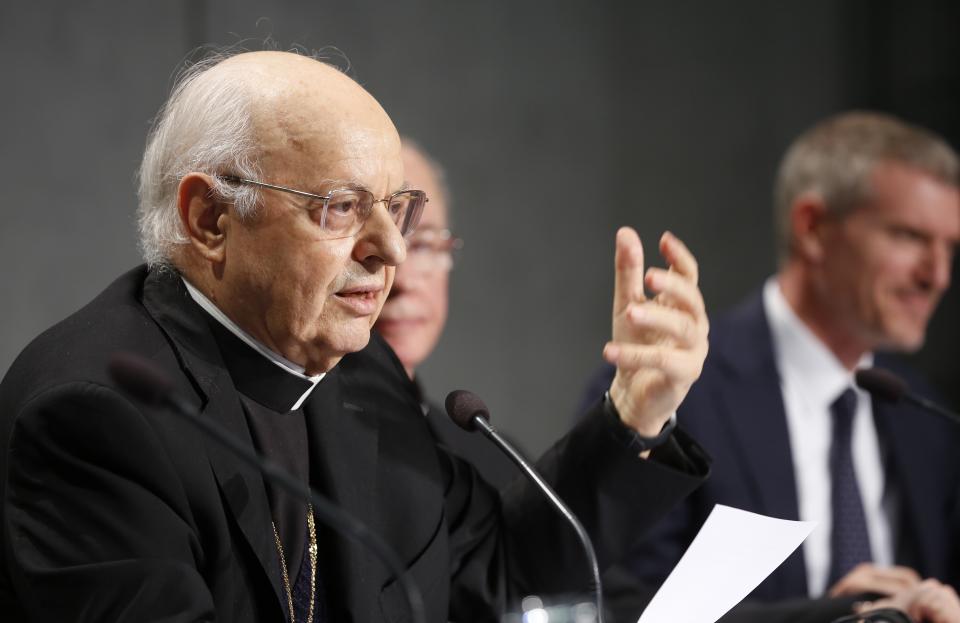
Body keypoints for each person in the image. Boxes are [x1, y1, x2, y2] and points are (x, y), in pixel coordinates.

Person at [0, 50, 711, 622]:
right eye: (341, 208)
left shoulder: (362, 376)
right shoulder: (93, 418)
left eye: (396, 208)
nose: (391, 252)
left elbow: (498, 578)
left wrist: (632, 415)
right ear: (210, 218)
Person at [582, 111, 960, 622]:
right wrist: (830, 616)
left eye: (949, 248)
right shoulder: (668, 391)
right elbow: (618, 606)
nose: (936, 275)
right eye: (909, 237)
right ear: (812, 228)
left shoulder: (925, 413)